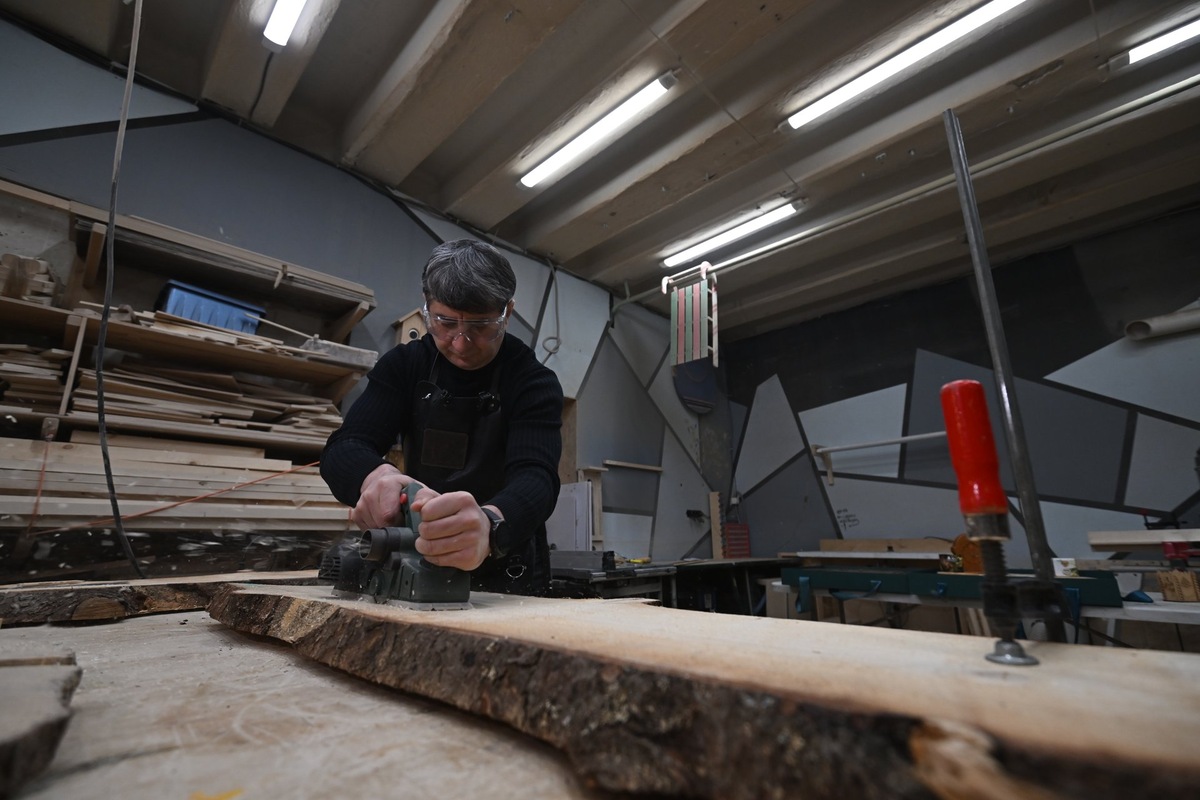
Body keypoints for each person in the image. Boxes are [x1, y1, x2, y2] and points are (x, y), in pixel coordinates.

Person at [320, 239, 564, 595]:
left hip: (505, 564)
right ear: (426, 308)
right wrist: (377, 477)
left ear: (507, 312)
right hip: (419, 557)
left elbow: (537, 478)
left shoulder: (533, 382)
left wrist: (490, 525)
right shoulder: (405, 365)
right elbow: (345, 446)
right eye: (445, 322)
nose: (461, 343)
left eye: (481, 326)